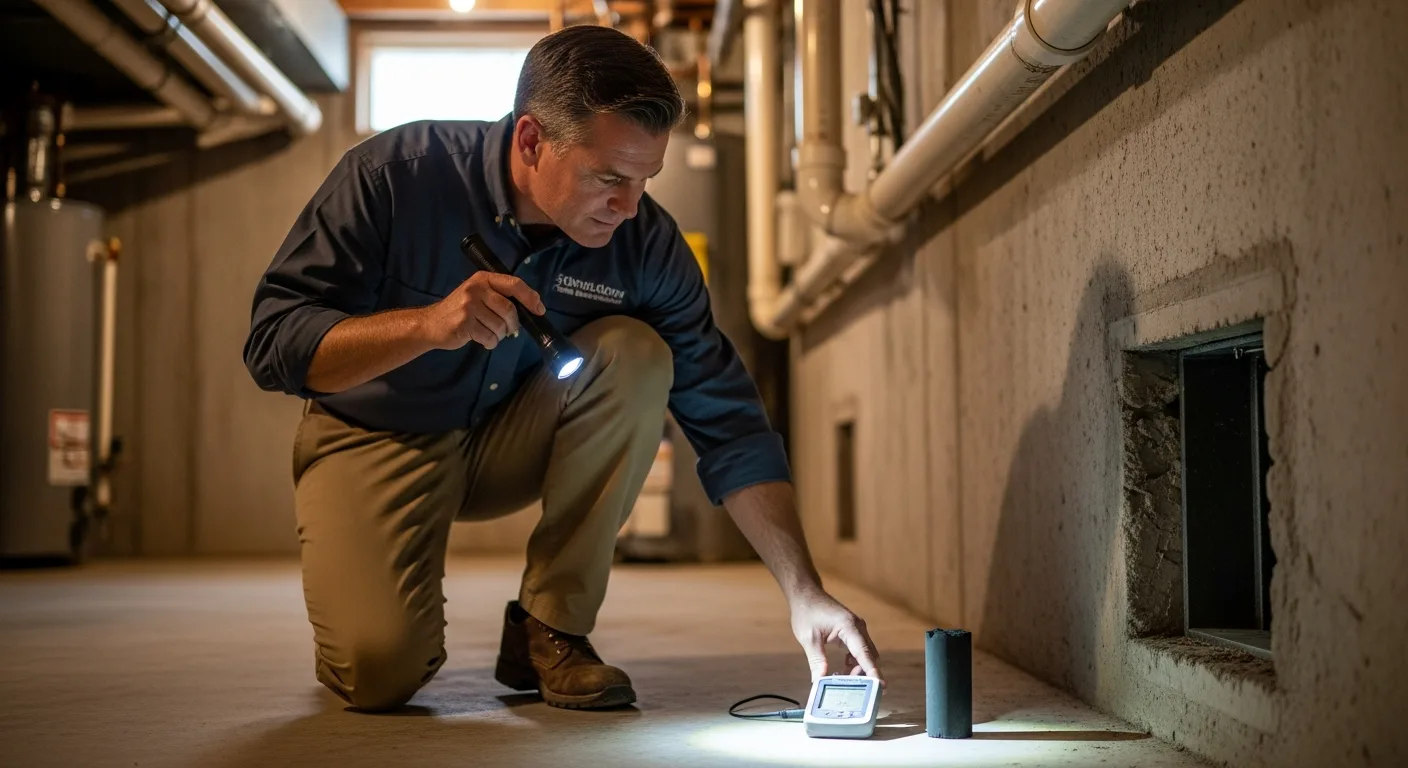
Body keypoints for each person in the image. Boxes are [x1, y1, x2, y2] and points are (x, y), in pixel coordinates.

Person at [242, 24, 882, 712]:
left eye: (645, 180)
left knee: (639, 356)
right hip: (376, 433)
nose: (630, 207)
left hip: (507, 438)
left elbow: (728, 420)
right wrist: (428, 327)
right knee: (378, 672)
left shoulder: (645, 243)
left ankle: (552, 630)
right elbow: (274, 344)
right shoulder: (394, 177)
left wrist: (804, 591)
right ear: (529, 142)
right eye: (608, 177)